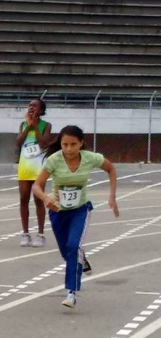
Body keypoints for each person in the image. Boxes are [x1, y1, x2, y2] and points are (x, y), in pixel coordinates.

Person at [33, 125, 118, 308]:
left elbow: (111, 169)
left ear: (81, 143)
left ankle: (71, 292)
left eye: (73, 144)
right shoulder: (54, 160)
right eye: (65, 144)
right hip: (57, 211)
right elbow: (37, 186)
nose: (69, 149)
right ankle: (81, 258)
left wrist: (112, 196)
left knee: (73, 246)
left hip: (80, 209)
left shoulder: (90, 158)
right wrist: (46, 198)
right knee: (67, 251)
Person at [16, 98, 52, 247]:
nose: (31, 108)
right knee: (24, 198)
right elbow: (18, 142)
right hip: (25, 166)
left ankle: (41, 234)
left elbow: (43, 144)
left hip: (38, 168)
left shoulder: (46, 125)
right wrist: (28, 126)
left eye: (35, 106)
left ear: (41, 110)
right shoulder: (23, 124)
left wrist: (35, 126)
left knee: (38, 200)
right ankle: (25, 233)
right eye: (29, 105)